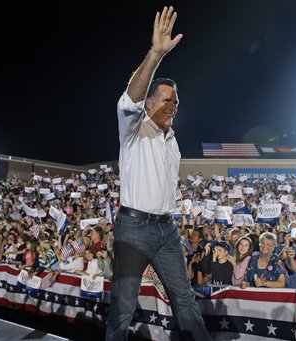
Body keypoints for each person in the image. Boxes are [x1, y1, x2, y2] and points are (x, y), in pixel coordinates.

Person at [106, 6, 210, 340]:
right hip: (133, 228)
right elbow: (130, 97)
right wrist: (155, 54)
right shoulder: (134, 128)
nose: (172, 105)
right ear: (149, 104)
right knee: (123, 307)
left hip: (167, 230)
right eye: (166, 99)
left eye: (176, 102)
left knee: (184, 299)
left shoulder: (172, 141)